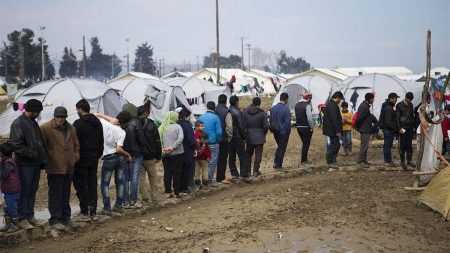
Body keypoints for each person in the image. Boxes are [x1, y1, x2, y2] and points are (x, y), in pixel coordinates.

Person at [10, 99, 49, 230]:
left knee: (32, 190)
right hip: (24, 164)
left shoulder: (32, 122)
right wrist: (32, 154)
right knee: (25, 191)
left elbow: (38, 142)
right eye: (37, 112)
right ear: (32, 111)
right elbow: (16, 145)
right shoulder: (18, 123)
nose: (38, 115)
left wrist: (41, 158)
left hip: (35, 164)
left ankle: (30, 215)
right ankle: (22, 218)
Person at [40, 106, 80, 230]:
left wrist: (74, 157)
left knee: (66, 194)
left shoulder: (71, 127)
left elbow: (76, 144)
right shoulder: (46, 128)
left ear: (65, 117)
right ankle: (54, 219)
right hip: (55, 167)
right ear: (54, 116)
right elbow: (42, 147)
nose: (60, 119)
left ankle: (66, 217)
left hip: (68, 167)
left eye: (62, 117)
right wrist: (49, 160)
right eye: (57, 117)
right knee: (55, 194)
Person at [73, 99, 104, 221]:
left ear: (80, 109)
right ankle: (93, 210)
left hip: (81, 160)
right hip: (94, 159)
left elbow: (74, 143)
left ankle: (85, 210)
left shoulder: (78, 124)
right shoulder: (97, 122)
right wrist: (97, 154)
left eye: (77, 109)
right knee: (92, 184)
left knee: (81, 185)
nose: (77, 111)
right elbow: (101, 140)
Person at [96, 112, 131, 215]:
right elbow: (119, 149)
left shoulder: (106, 125)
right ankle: (118, 206)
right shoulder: (122, 132)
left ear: (117, 119)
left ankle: (107, 208)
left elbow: (96, 115)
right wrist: (127, 154)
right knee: (119, 182)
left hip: (108, 158)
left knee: (105, 184)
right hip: (120, 159)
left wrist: (101, 114)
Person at [121, 110, 146, 208]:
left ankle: (125, 202)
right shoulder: (136, 122)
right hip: (136, 154)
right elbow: (141, 138)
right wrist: (143, 151)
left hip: (123, 153)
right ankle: (133, 201)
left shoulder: (120, 123)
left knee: (125, 178)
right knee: (134, 177)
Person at [137, 105, 161, 204]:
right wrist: (158, 156)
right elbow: (157, 141)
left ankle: (144, 198)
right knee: (153, 177)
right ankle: (154, 197)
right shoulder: (152, 124)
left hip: (139, 156)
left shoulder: (134, 123)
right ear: (146, 113)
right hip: (150, 156)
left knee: (141, 178)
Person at [159, 111, 184, 197]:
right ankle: (176, 192)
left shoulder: (162, 127)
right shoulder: (177, 126)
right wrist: (173, 147)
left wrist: (163, 149)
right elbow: (181, 138)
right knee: (177, 173)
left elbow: (158, 140)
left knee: (167, 172)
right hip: (177, 153)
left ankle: (168, 192)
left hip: (165, 154)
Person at [198, 102, 222, 186]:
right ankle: (208, 180)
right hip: (213, 143)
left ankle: (201, 180)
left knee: (202, 162)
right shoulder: (216, 117)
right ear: (214, 108)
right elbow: (219, 132)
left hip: (202, 143)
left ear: (207, 107)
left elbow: (198, 129)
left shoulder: (201, 117)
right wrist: (218, 140)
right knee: (212, 161)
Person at [243, 97, 269, 177]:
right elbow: (266, 126)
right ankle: (255, 171)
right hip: (259, 137)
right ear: (259, 103)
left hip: (249, 137)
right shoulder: (262, 113)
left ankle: (247, 172)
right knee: (258, 155)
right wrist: (263, 133)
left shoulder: (245, 112)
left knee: (248, 155)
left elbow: (242, 124)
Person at [228, 95, 250, 181]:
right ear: (236, 102)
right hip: (237, 136)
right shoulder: (237, 112)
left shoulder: (227, 111)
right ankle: (244, 174)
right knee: (242, 155)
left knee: (231, 156)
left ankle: (234, 174)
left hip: (229, 137)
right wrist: (244, 136)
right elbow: (241, 126)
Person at [0, 142, 21, 233]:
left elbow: (4, 174)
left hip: (12, 190)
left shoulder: (9, 162)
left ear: (2, 153)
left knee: (11, 207)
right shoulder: (7, 161)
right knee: (6, 207)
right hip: (8, 189)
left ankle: (15, 225)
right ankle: (8, 224)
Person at [270, 92, 291, 170]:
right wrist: (288, 132)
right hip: (283, 132)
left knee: (280, 147)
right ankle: (278, 165)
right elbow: (288, 123)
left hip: (275, 131)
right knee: (282, 148)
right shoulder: (286, 109)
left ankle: (276, 162)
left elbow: (271, 120)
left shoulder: (273, 108)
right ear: (286, 99)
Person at [177, 108, 197, 194]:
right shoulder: (187, 125)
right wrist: (194, 148)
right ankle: (184, 188)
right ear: (185, 116)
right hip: (187, 151)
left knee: (179, 170)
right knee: (186, 170)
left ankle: (178, 188)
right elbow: (191, 139)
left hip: (177, 151)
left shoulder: (176, 124)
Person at [322, 92, 344, 168]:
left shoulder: (331, 104)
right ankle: (330, 160)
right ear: (338, 97)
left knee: (336, 145)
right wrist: (337, 131)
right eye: (340, 99)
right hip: (332, 130)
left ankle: (333, 160)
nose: (340, 101)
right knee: (335, 145)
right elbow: (334, 119)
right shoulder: (332, 106)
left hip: (331, 129)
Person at [215, 94, 233, 184]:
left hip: (214, 139)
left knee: (214, 159)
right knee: (223, 158)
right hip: (223, 138)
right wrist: (229, 137)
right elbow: (229, 127)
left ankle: (211, 178)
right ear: (226, 101)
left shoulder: (214, 110)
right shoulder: (226, 112)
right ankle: (221, 177)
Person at [379, 93, 400, 167]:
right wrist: (394, 128)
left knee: (386, 145)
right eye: (395, 99)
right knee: (387, 145)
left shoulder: (387, 106)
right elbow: (388, 121)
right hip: (388, 129)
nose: (396, 100)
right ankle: (388, 161)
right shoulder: (388, 108)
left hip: (386, 129)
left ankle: (387, 160)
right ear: (391, 98)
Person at [396, 92, 416, 170]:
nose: (409, 101)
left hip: (410, 127)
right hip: (403, 127)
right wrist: (399, 128)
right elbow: (397, 118)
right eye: (408, 99)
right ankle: (402, 161)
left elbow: (412, 115)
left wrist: (413, 125)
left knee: (409, 145)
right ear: (405, 97)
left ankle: (409, 160)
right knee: (402, 145)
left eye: (411, 100)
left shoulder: (411, 105)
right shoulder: (399, 105)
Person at [355, 93, 375, 168]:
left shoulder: (365, 106)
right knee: (364, 146)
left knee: (365, 145)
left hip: (365, 128)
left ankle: (364, 160)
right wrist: (358, 127)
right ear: (370, 99)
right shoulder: (364, 107)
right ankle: (360, 161)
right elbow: (360, 118)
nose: (373, 100)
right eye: (373, 98)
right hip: (364, 129)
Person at [294, 92, 314, 165]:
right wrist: (312, 127)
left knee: (304, 144)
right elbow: (309, 118)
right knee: (306, 144)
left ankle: (304, 159)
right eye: (310, 99)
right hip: (306, 127)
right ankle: (304, 161)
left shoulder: (296, 105)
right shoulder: (307, 106)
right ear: (308, 98)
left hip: (299, 127)